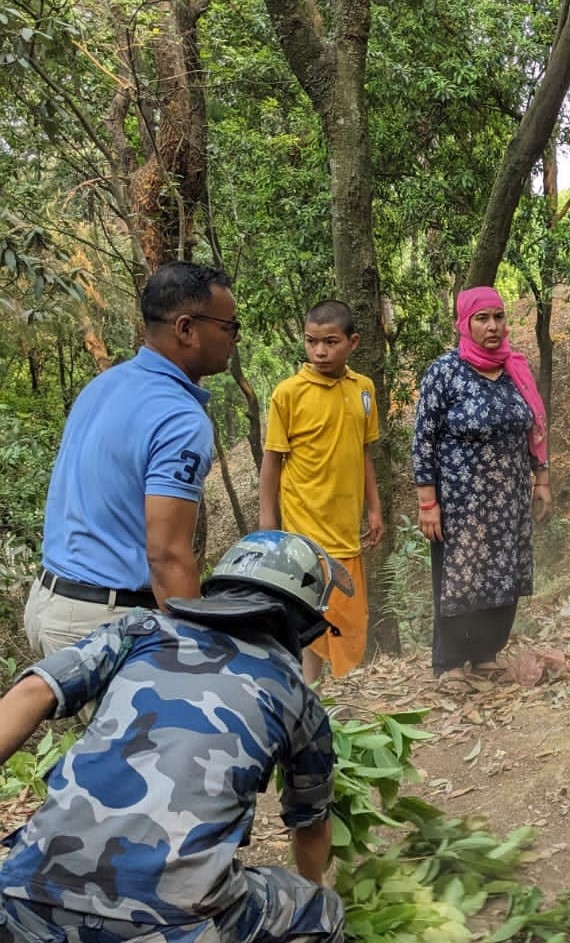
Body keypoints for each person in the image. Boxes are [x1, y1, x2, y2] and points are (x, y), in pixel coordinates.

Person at [0, 530, 347, 942]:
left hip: (23, 898)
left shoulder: (140, 629)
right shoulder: (296, 696)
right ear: (303, 622)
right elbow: (310, 824)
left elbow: (34, 691)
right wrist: (311, 888)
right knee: (321, 912)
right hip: (165, 923)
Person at [24, 261, 238, 658]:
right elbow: (167, 556)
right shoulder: (179, 417)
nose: (235, 338)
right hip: (102, 623)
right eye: (229, 327)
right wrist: (200, 653)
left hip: (49, 602)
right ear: (186, 329)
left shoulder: (104, 386)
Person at [412, 286, 551, 692]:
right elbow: (423, 439)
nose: (492, 326)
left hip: (509, 498)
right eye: (482, 318)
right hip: (461, 502)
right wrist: (428, 502)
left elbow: (533, 428)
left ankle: (487, 653)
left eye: (498, 317)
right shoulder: (445, 372)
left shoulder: (514, 369)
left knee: (504, 573)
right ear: (464, 323)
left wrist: (541, 479)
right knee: (459, 579)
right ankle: (452, 662)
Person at [259, 299, 385, 684]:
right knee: (308, 622)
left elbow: (363, 452)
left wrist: (374, 508)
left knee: (348, 623)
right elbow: (272, 462)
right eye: (311, 341)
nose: (319, 351)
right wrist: (268, 526)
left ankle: (342, 697)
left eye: (330, 342)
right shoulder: (288, 393)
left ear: (353, 342)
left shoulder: (363, 390)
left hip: (345, 531)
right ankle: (310, 696)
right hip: (304, 532)